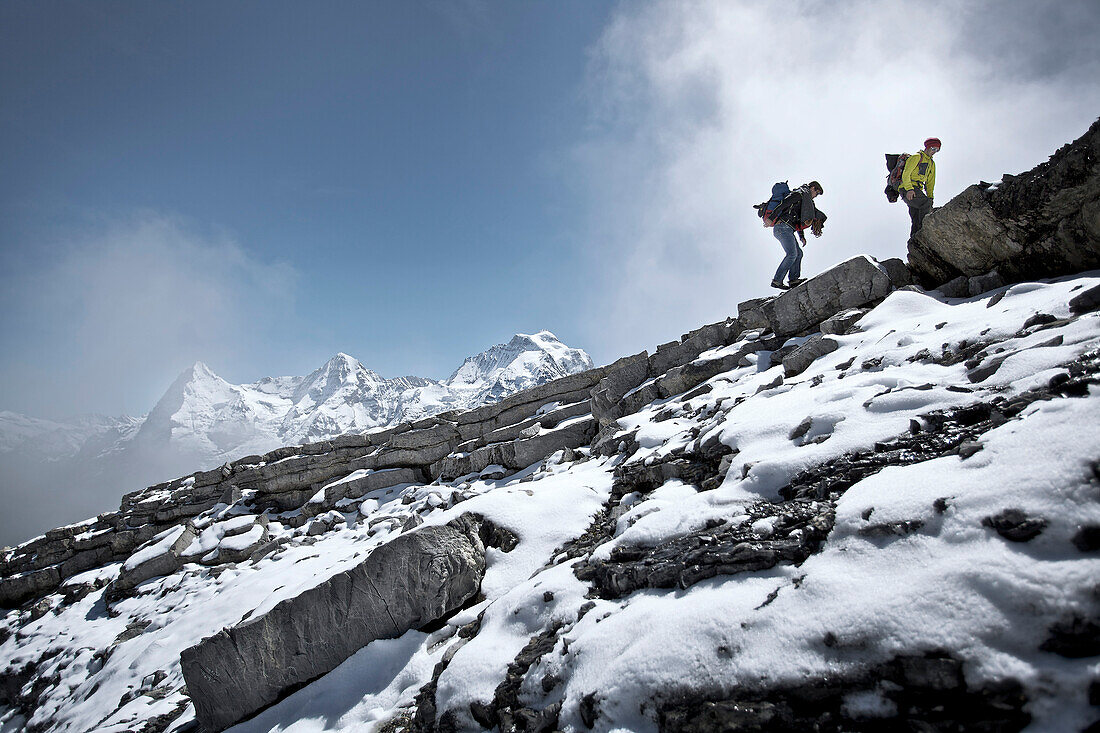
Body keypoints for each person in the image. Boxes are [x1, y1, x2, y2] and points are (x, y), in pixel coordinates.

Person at [770, 181, 825, 290]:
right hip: (782, 227)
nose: (815, 196)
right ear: (812, 188)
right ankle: (777, 280)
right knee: (792, 254)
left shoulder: (804, 201)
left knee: (798, 254)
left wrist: (801, 236)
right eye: (816, 193)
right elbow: (784, 203)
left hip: (788, 229)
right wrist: (771, 218)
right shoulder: (799, 194)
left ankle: (793, 280)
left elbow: (798, 220)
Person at [899, 137, 940, 237]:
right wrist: (909, 189)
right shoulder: (917, 157)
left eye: (937, 150)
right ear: (927, 147)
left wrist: (931, 197)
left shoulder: (931, 164)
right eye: (933, 148)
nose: (934, 152)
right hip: (907, 188)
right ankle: (924, 231)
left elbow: (930, 183)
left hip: (916, 190)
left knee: (916, 217)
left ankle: (915, 240)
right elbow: (906, 174)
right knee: (925, 204)